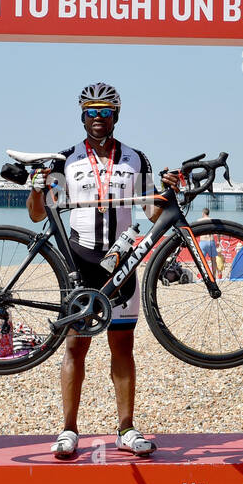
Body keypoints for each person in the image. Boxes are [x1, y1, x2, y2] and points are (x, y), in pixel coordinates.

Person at [26, 83, 162, 459]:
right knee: (75, 347)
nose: (98, 118)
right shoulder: (65, 159)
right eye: (91, 111)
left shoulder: (136, 158)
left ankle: (126, 428)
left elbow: (152, 211)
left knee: (123, 346)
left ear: (116, 115)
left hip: (122, 260)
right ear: (82, 116)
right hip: (79, 260)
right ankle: (68, 430)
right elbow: (38, 213)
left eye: (105, 111)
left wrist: (170, 197)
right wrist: (37, 188)